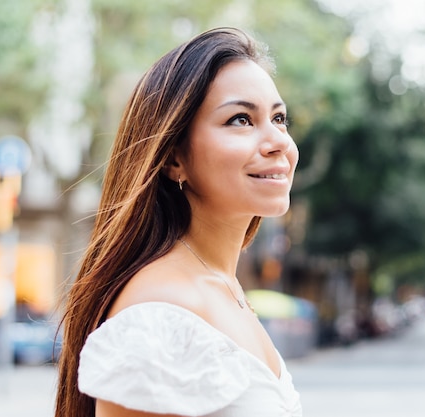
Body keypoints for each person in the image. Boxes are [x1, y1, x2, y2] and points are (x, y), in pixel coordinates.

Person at [55, 27, 301, 417]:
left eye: (279, 117)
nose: (279, 142)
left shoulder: (225, 289)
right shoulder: (161, 313)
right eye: (240, 119)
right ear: (173, 159)